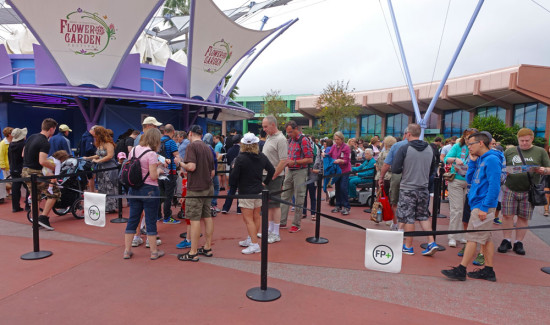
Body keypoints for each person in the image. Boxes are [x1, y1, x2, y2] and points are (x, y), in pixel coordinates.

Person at [442, 132, 503, 281]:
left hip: (482, 204)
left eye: (471, 144)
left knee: (472, 237)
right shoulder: (481, 159)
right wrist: (474, 162)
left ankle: (461, 269)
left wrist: (485, 207)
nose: (468, 147)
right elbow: (469, 179)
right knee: (486, 238)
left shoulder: (492, 160)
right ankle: (489, 271)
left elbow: (494, 186)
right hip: (478, 202)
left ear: (481, 143)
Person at [499, 128, 550, 255]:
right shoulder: (509, 151)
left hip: (529, 190)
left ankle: (518, 242)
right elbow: (501, 167)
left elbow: (549, 169)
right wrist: (505, 171)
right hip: (510, 187)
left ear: (532, 139)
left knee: (523, 217)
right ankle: (506, 239)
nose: (524, 143)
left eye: (527, 140)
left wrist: (543, 170)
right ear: (518, 139)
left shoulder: (540, 151)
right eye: (521, 141)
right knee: (507, 215)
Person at [392, 123, 438, 256]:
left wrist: (406, 169)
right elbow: (432, 169)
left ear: (409, 134)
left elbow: (395, 169)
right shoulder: (430, 148)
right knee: (423, 216)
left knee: (408, 218)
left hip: (408, 187)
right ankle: (431, 242)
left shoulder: (404, 148)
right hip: (423, 188)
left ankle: (408, 246)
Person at [123, 128, 164, 260]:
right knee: (151, 220)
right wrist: (159, 169)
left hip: (134, 188)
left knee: (133, 219)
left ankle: (127, 250)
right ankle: (153, 252)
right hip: (149, 190)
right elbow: (152, 176)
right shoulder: (151, 154)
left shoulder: (134, 150)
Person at [230, 133, 274, 254]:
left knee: (248, 219)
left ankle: (254, 244)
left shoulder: (240, 158)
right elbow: (272, 170)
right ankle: (251, 238)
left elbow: (233, 177)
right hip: (258, 191)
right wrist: (265, 182)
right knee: (255, 217)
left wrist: (234, 169)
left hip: (245, 192)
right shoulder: (261, 156)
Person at [177, 125, 215, 262]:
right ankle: (207, 247)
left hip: (196, 187)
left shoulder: (191, 147)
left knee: (194, 219)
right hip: (207, 186)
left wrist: (181, 163)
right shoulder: (207, 147)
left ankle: (193, 252)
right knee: (207, 216)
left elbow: (191, 167)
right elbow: (212, 172)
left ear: (191, 133)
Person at [22, 118, 60, 230]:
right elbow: (42, 161)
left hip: (25, 171)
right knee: (55, 193)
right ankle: (43, 218)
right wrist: (55, 167)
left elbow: (23, 153)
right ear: (51, 129)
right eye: (54, 129)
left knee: (35, 196)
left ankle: (35, 220)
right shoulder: (45, 142)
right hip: (35, 172)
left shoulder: (32, 137)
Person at [443, 128, 478, 248]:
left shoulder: (477, 148)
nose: (469, 140)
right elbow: (446, 158)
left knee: (465, 211)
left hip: (471, 182)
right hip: (457, 180)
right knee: (456, 209)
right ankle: (452, 236)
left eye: (471, 137)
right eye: (467, 137)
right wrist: (455, 160)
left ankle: (461, 234)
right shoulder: (458, 146)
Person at [280, 120, 313, 232]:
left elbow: (309, 159)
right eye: (287, 132)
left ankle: (296, 224)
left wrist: (294, 162)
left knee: (299, 197)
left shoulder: (304, 140)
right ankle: (282, 221)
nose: (289, 134)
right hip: (290, 170)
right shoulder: (290, 140)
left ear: (296, 129)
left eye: (290, 132)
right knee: (285, 196)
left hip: (300, 171)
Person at [260, 116, 287, 243]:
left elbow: (283, 160)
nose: (264, 129)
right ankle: (270, 230)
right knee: (269, 203)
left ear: (273, 125)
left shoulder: (281, 139)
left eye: (266, 126)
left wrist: (273, 175)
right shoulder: (270, 137)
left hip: (274, 176)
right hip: (267, 174)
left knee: (275, 204)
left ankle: (276, 233)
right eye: (263, 126)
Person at [378, 127, 411, 228]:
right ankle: (406, 225)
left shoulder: (397, 146)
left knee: (395, 201)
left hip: (397, 175)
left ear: (406, 134)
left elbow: (386, 164)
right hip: (412, 176)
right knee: (408, 203)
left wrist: (381, 177)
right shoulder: (421, 146)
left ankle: (396, 224)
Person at [85, 126, 118, 213]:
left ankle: (111, 206)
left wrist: (98, 160)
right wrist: (88, 158)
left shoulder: (109, 144)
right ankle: (105, 206)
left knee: (110, 186)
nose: (94, 136)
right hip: (101, 168)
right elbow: (98, 155)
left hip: (109, 168)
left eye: (96, 134)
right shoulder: (100, 144)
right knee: (102, 186)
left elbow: (109, 156)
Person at [158, 124, 181, 224]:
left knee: (159, 195)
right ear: (173, 131)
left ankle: (158, 216)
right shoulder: (171, 142)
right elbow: (176, 157)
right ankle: (167, 217)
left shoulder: (158, 141)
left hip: (159, 171)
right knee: (168, 196)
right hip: (170, 171)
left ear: (164, 131)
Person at [374, 136, 397, 229]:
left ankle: (381, 216)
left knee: (381, 198)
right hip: (391, 178)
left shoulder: (381, 154)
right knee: (392, 200)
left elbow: (378, 166)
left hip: (380, 177)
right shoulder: (396, 154)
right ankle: (391, 219)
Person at [328, 131, 352, 216]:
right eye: (335, 139)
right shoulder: (334, 146)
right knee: (337, 187)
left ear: (342, 139)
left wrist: (340, 160)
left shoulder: (346, 147)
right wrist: (325, 154)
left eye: (337, 139)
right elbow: (330, 154)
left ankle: (346, 206)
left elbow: (347, 161)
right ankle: (338, 205)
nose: (336, 141)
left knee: (343, 188)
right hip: (337, 170)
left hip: (345, 170)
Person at [8, 128, 30, 212]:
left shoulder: (11, 145)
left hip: (13, 168)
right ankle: (28, 205)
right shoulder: (24, 145)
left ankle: (15, 206)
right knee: (28, 186)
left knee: (15, 187)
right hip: (22, 168)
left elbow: (9, 157)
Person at [221, 134, 242, 214]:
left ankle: (225, 208)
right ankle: (239, 209)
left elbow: (229, 162)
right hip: (241, 173)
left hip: (232, 172)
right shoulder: (242, 149)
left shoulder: (230, 150)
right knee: (240, 190)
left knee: (231, 190)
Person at [302, 135, 322, 219]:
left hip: (313, 176)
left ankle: (313, 213)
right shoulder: (302, 147)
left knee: (313, 195)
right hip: (303, 174)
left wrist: (313, 169)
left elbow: (320, 166)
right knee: (303, 195)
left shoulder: (317, 149)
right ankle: (303, 212)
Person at [0, 127, 13, 204]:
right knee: (7, 181)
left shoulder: (12, 142)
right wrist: (2, 165)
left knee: (12, 181)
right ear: (9, 134)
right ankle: (8, 194)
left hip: (12, 165)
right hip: (6, 166)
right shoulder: (2, 144)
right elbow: (1, 155)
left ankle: (10, 193)